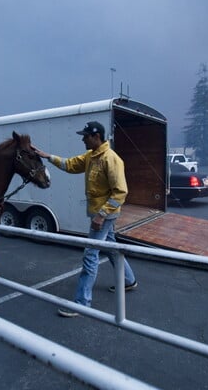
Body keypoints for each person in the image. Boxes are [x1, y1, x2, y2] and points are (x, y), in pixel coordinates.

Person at [33, 121, 138, 317]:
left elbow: (120, 193)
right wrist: (48, 157)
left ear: (96, 137)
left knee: (90, 255)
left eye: (85, 136)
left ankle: (82, 303)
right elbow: (71, 164)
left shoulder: (111, 159)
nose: (82, 139)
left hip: (104, 216)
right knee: (112, 247)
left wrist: (101, 215)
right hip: (99, 214)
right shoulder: (91, 156)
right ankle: (129, 280)